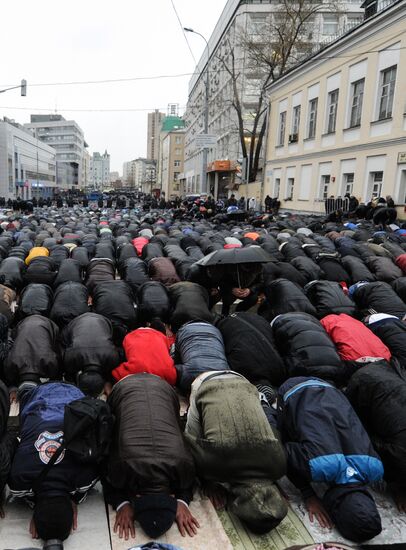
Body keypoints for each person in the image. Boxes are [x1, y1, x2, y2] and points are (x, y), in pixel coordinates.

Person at [266, 376, 383, 542]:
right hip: (293, 390)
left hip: (329, 387)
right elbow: (284, 451)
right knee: (273, 442)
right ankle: (267, 404)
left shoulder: (375, 467)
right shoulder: (318, 467)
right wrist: (309, 495)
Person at [184, 370, 287, 533]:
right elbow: (186, 440)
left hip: (243, 382)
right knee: (192, 432)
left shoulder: (280, 466)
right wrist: (208, 482)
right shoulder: (212, 468)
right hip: (204, 384)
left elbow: (273, 433)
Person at [103, 373, 198, 541]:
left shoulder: (184, 464)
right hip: (127, 388)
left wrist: (121, 504)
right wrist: (122, 503)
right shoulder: (121, 466)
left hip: (163, 388)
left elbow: (190, 482)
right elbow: (104, 474)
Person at [8, 382, 98, 543]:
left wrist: (72, 501)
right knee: (28, 410)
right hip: (40, 399)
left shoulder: (84, 478)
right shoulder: (19, 481)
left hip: (74, 396)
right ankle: (27, 391)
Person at [346, 362, 406, 512]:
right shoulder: (400, 454)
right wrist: (398, 490)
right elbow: (374, 446)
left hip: (384, 372)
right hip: (366, 383)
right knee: (355, 428)